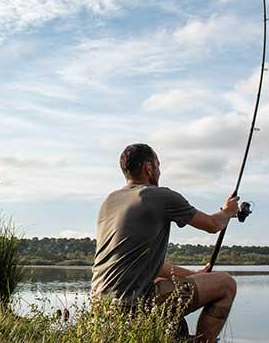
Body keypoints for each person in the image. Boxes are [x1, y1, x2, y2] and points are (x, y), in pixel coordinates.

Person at [91, 143, 239, 343]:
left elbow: (149, 265)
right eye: (158, 165)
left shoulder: (110, 201)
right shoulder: (159, 196)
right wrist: (228, 211)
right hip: (134, 307)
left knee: (160, 282)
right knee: (226, 284)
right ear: (148, 167)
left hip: (100, 306)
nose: (159, 171)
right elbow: (213, 225)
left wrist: (193, 275)